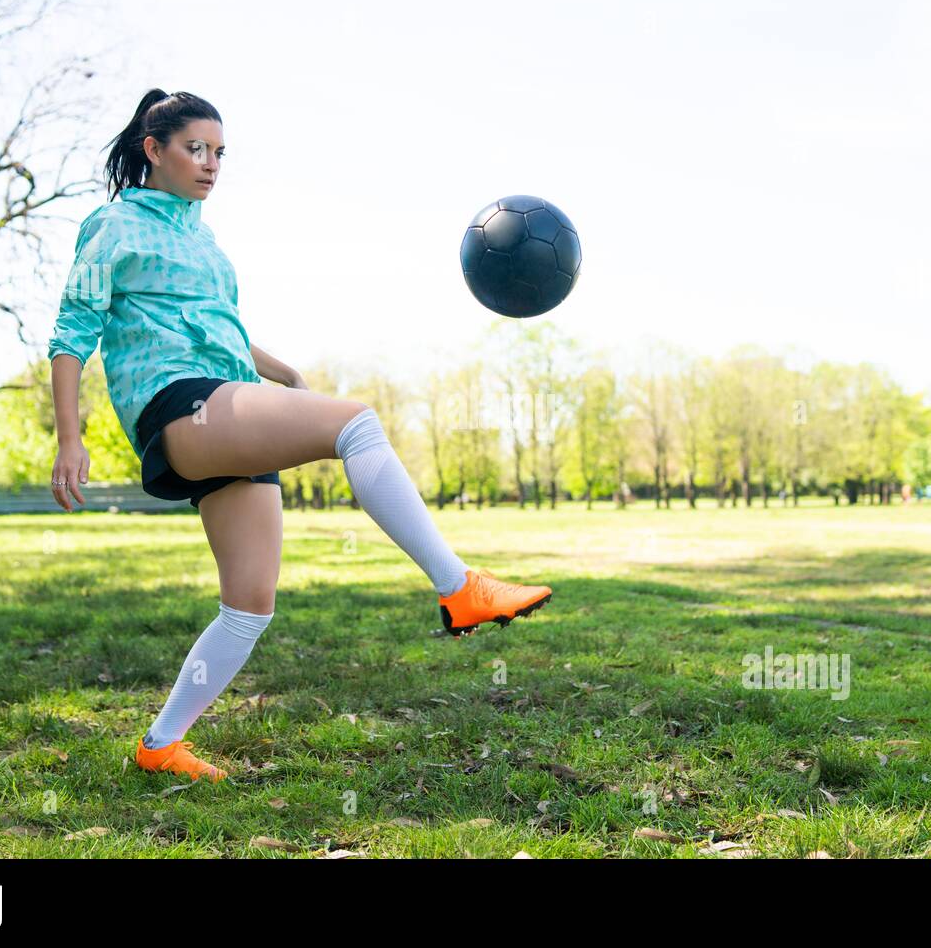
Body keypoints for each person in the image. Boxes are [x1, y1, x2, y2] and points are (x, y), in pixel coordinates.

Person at [46, 89, 552, 782]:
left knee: (249, 605)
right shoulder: (113, 226)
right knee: (355, 422)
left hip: (225, 396)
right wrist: (69, 438)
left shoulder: (200, 234)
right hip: (178, 403)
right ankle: (458, 586)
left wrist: (282, 371)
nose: (210, 164)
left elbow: (219, 326)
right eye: (195, 148)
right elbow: (73, 331)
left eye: (220, 152)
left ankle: (160, 745)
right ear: (153, 150)